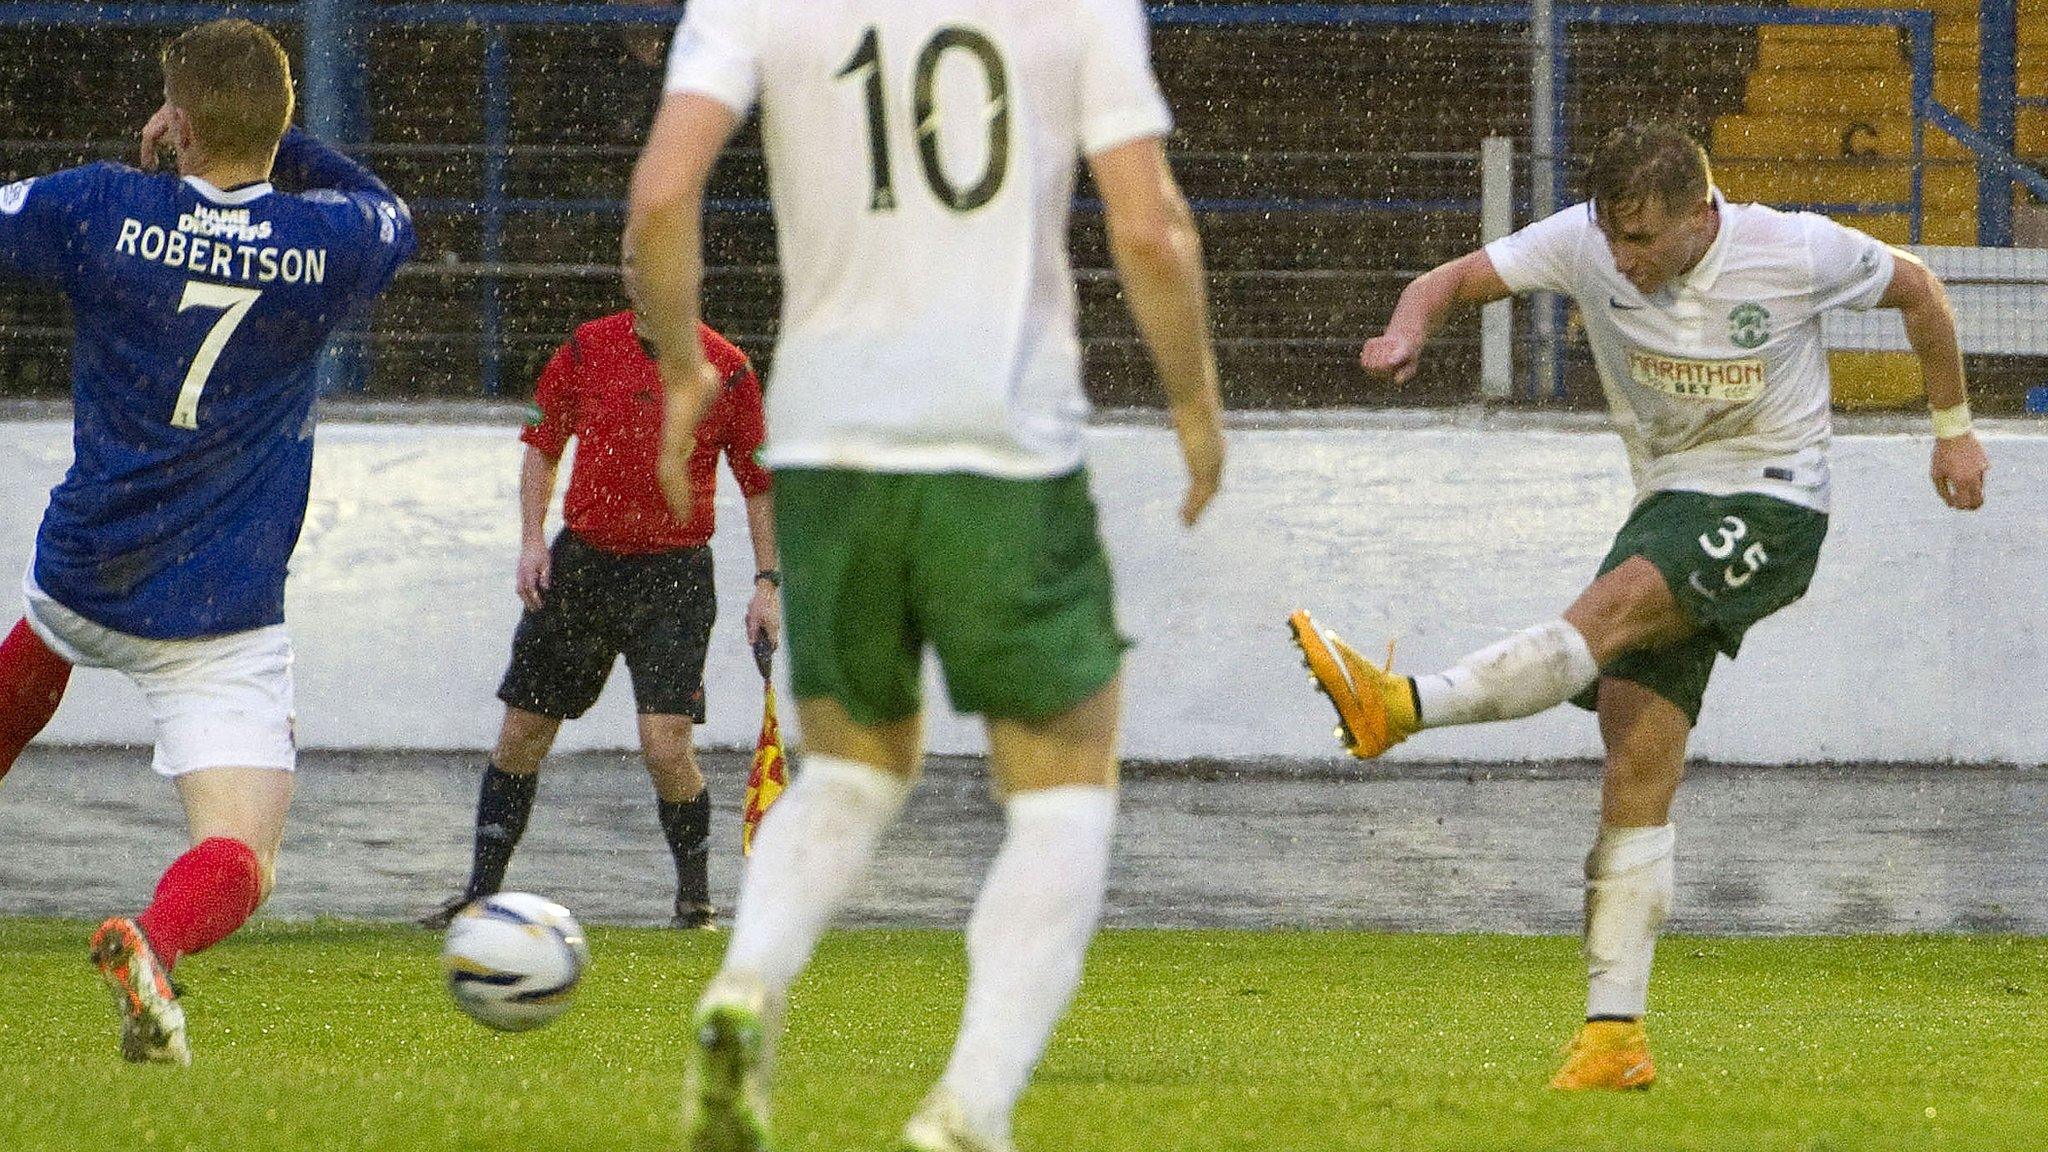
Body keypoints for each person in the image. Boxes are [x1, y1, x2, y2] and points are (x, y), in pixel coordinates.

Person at [628, 0, 1226, 1148]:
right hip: (998, 442)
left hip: (824, 441)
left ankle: (746, 984)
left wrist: (680, 370)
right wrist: (1193, 405)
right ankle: (969, 1108)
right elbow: (1148, 229)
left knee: (851, 769)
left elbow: (660, 193)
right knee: (1059, 787)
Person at [1292, 123, 1989, 1091]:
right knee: (1632, 755)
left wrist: (1950, 433)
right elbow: (1445, 281)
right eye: (1609, 238)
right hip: (1665, 504)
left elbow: (1916, 287)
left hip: (1771, 500)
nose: (1618, 261)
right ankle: (1612, 1036)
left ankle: (1399, 706)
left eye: (1640, 240)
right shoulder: (1584, 240)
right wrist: (1407, 331)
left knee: (1610, 609)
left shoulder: (1788, 250)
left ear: (1701, 216)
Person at [0, 19, 414, 1064]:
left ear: (174, 122)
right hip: (220, 605)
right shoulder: (331, 244)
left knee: (38, 648)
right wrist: (284, 149)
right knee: (240, 850)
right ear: (276, 123)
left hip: (93, 560)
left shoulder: (97, 206)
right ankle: (157, 940)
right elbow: (387, 207)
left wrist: (174, 164)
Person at [418, 307, 779, 932]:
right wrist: (532, 541)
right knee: (522, 733)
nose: (643, 273)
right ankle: (478, 894)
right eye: (632, 260)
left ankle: (695, 902)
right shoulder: (588, 347)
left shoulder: (728, 368)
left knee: (666, 744)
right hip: (582, 569)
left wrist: (767, 584)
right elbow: (541, 445)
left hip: (673, 577)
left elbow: (759, 483)